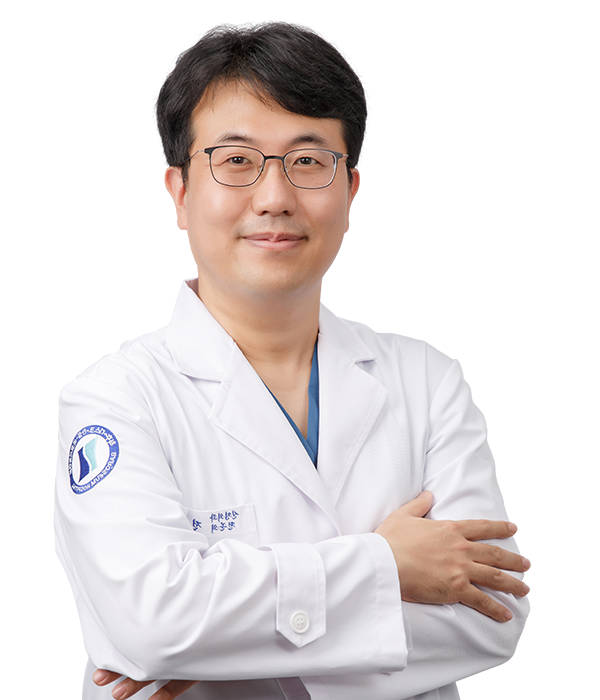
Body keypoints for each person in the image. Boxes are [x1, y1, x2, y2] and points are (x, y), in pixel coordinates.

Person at [54, 25, 531, 700]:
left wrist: (226, 643)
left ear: (352, 187)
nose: (275, 196)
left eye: (308, 161)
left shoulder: (426, 384)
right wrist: (387, 566)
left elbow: (491, 618)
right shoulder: (114, 402)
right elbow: (151, 625)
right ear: (179, 190)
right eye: (236, 160)